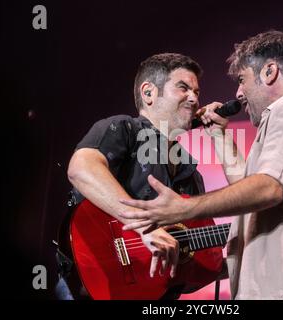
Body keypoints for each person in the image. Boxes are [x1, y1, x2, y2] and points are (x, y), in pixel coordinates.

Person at [119, 30, 283, 299]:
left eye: (242, 80)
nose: (239, 93)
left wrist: (182, 208)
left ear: (269, 72)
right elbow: (257, 187)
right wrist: (219, 136)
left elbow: (268, 189)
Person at [58, 52, 212, 299]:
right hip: (91, 285)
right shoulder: (123, 128)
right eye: (183, 88)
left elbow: (184, 275)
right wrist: (145, 228)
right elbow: (81, 169)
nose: (194, 98)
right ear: (148, 92)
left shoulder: (191, 173)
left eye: (197, 92)